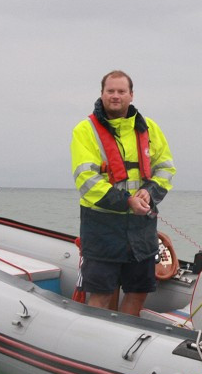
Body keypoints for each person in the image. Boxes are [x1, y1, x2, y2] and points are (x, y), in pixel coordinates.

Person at [70, 70, 176, 315]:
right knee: (101, 295)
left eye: (121, 91)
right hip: (102, 228)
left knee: (138, 293)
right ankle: (94, 344)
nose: (115, 96)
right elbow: (87, 180)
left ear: (131, 95)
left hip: (141, 228)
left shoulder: (150, 128)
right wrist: (128, 201)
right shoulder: (85, 130)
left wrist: (149, 193)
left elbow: (166, 168)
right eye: (111, 91)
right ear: (102, 94)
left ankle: (123, 348)